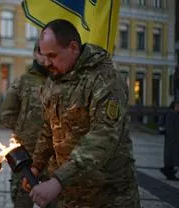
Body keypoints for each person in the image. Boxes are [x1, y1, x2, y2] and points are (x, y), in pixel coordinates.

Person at [22, 19, 141, 208]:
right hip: (68, 197)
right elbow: (48, 128)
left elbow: (103, 136)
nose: (46, 63)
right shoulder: (54, 79)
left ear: (73, 48)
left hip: (107, 196)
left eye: (52, 55)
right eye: (44, 56)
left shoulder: (105, 79)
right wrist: (36, 166)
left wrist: (57, 181)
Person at [1, 42, 56, 208]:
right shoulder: (22, 82)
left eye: (50, 53)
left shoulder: (61, 83)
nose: (45, 57)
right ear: (34, 54)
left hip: (54, 160)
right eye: (41, 52)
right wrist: (24, 132)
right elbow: (6, 115)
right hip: (25, 159)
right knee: (22, 202)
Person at [159, 96, 179, 181]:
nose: (178, 108)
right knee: (172, 157)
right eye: (177, 106)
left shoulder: (170, 113)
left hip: (172, 139)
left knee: (171, 158)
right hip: (172, 139)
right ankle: (168, 172)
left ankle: (169, 172)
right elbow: (171, 127)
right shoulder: (172, 114)